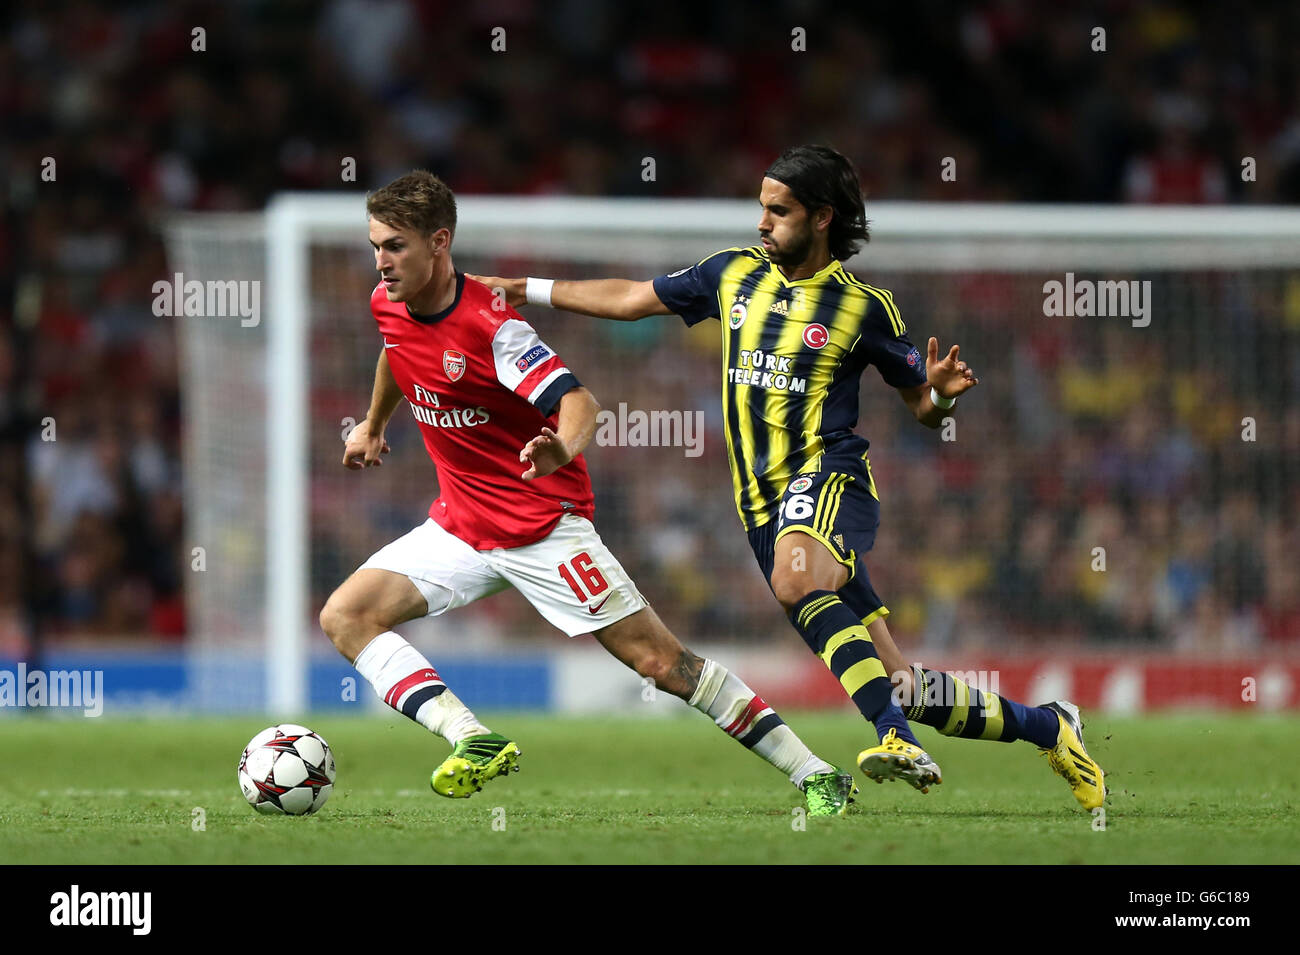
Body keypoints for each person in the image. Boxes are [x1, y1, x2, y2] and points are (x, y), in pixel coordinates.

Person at [471, 145, 1106, 811]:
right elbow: (633, 298)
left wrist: (942, 394)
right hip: (762, 509)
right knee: (903, 684)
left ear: (822, 217)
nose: (762, 223)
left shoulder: (865, 309)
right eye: (761, 208)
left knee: (798, 580)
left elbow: (923, 405)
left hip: (830, 479)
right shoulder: (732, 275)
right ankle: (1052, 726)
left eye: (779, 211)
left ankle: (890, 738)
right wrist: (522, 290)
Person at [318, 169, 878, 818]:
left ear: (439, 242)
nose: (381, 262)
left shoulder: (492, 327)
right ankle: (472, 736)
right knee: (346, 615)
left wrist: (562, 445)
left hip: (543, 528)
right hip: (461, 527)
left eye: (395, 247)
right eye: (375, 246)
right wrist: (374, 422)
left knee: (664, 664)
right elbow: (397, 347)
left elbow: (579, 400)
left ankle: (815, 772)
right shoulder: (387, 301)